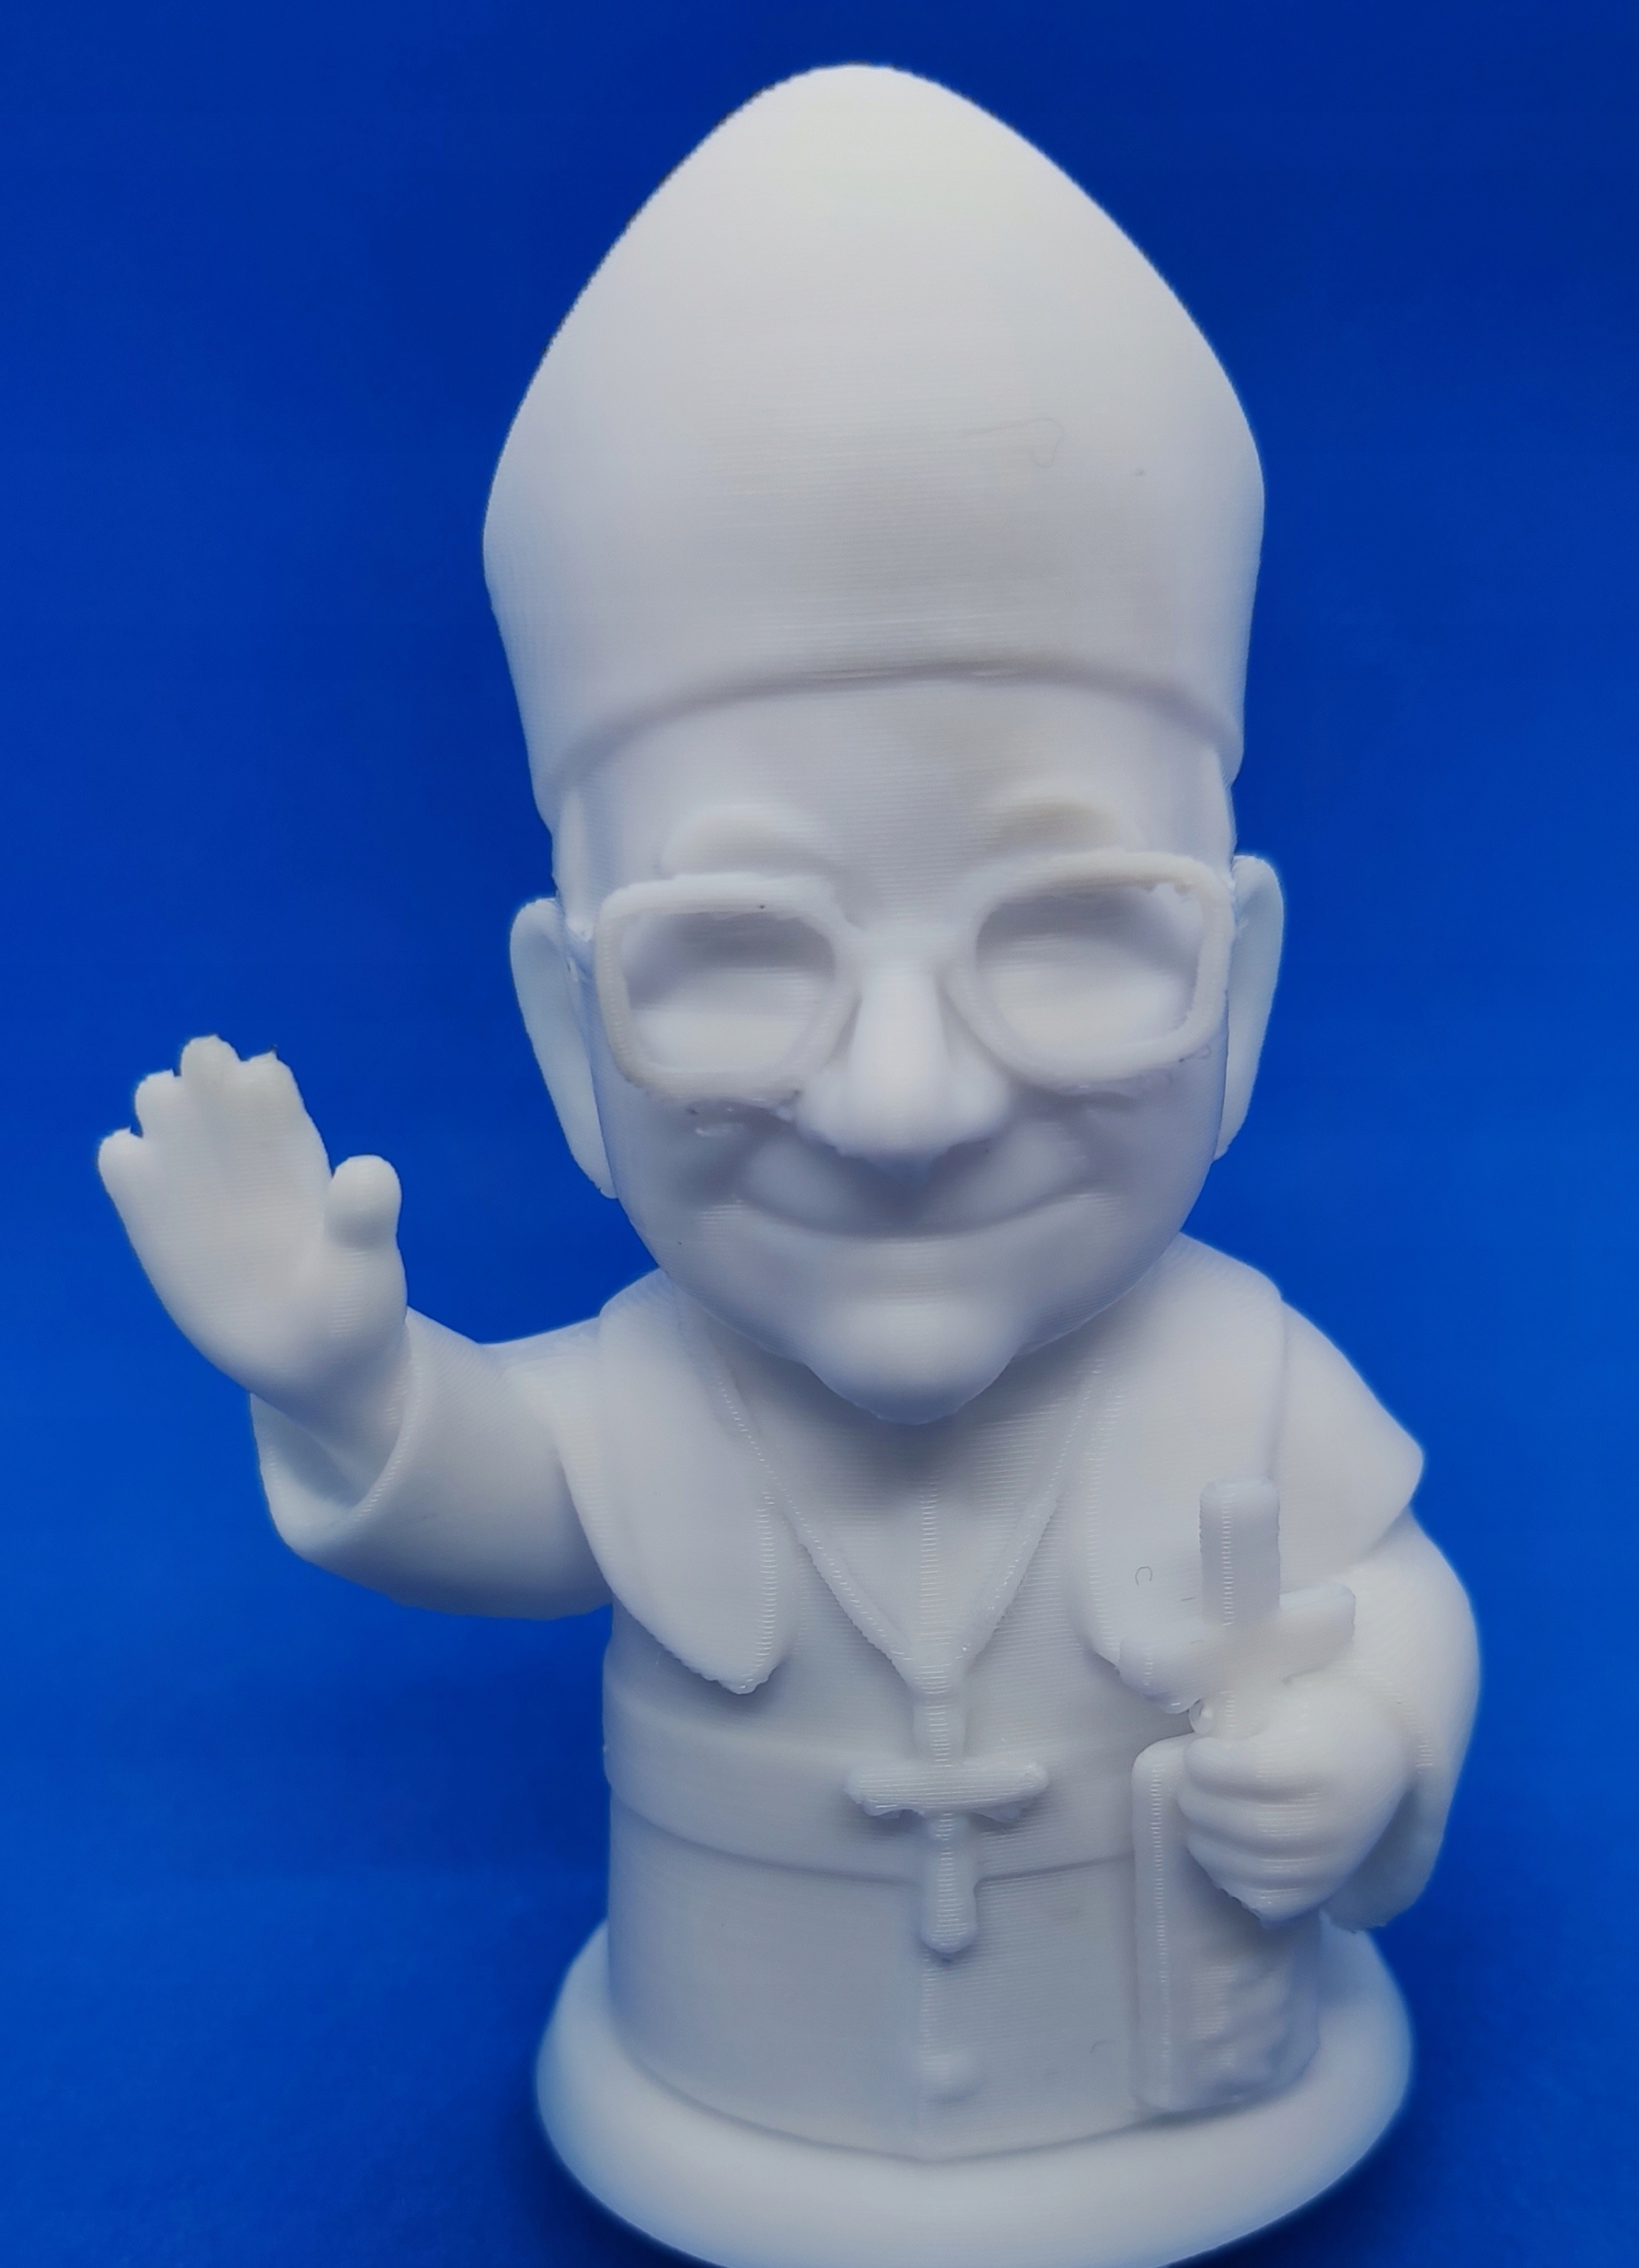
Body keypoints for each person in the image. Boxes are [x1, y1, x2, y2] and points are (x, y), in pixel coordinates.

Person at [100, 66, 1477, 2268]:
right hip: (715, 2073)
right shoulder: (656, 1384)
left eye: (1067, 937)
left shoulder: (1240, 1373)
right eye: (739, 960)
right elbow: (499, 1498)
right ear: (573, 1041)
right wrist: (354, 1386)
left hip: (1202, 2056)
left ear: (1234, 999)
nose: (903, 1106)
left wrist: (1375, 1738)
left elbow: (1399, 1596)